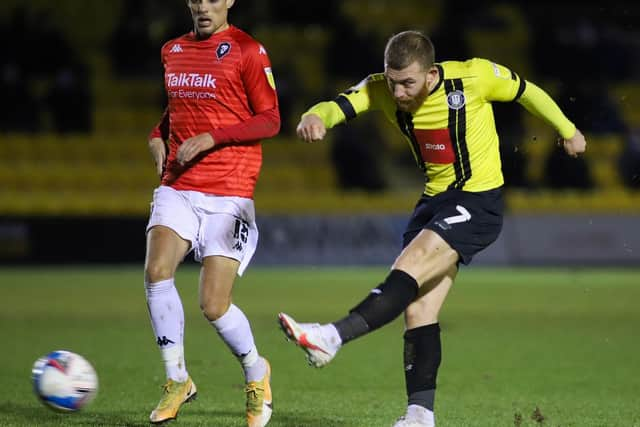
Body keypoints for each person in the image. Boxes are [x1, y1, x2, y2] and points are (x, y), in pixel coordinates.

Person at [278, 30, 585, 427]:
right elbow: (339, 104)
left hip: (478, 200)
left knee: (413, 261)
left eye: (408, 82)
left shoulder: (473, 77)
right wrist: (315, 116)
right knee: (419, 309)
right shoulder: (381, 88)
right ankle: (420, 416)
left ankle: (331, 337)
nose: (400, 92)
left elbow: (528, 91)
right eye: (393, 81)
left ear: (429, 73)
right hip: (432, 201)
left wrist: (567, 129)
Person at [144, 1, 280, 426]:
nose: (204, 6)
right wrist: (155, 135)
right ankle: (176, 378)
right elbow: (176, 111)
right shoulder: (172, 50)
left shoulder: (247, 50)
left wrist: (213, 138)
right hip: (179, 184)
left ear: (229, 1)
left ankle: (256, 373)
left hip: (230, 189)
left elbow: (271, 119)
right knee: (156, 271)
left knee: (213, 306)